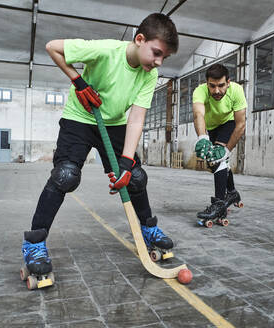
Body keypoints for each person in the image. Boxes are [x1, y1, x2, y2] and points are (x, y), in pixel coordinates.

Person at [21, 13, 179, 276]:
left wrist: (127, 163)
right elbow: (53, 47)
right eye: (156, 53)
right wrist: (78, 80)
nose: (159, 62)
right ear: (140, 39)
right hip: (79, 119)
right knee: (65, 176)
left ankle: (148, 227)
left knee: (136, 177)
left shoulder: (149, 74)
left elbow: (137, 118)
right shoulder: (105, 50)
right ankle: (34, 243)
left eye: (164, 57)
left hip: (114, 123)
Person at [192, 63, 247, 222]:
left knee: (217, 158)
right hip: (210, 125)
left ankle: (219, 204)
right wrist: (203, 137)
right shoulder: (200, 91)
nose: (217, 91)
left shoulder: (236, 90)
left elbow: (241, 124)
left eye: (221, 86)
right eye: (212, 86)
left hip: (228, 123)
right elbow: (198, 115)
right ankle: (232, 192)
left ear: (228, 82)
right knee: (216, 160)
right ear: (207, 83)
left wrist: (227, 150)